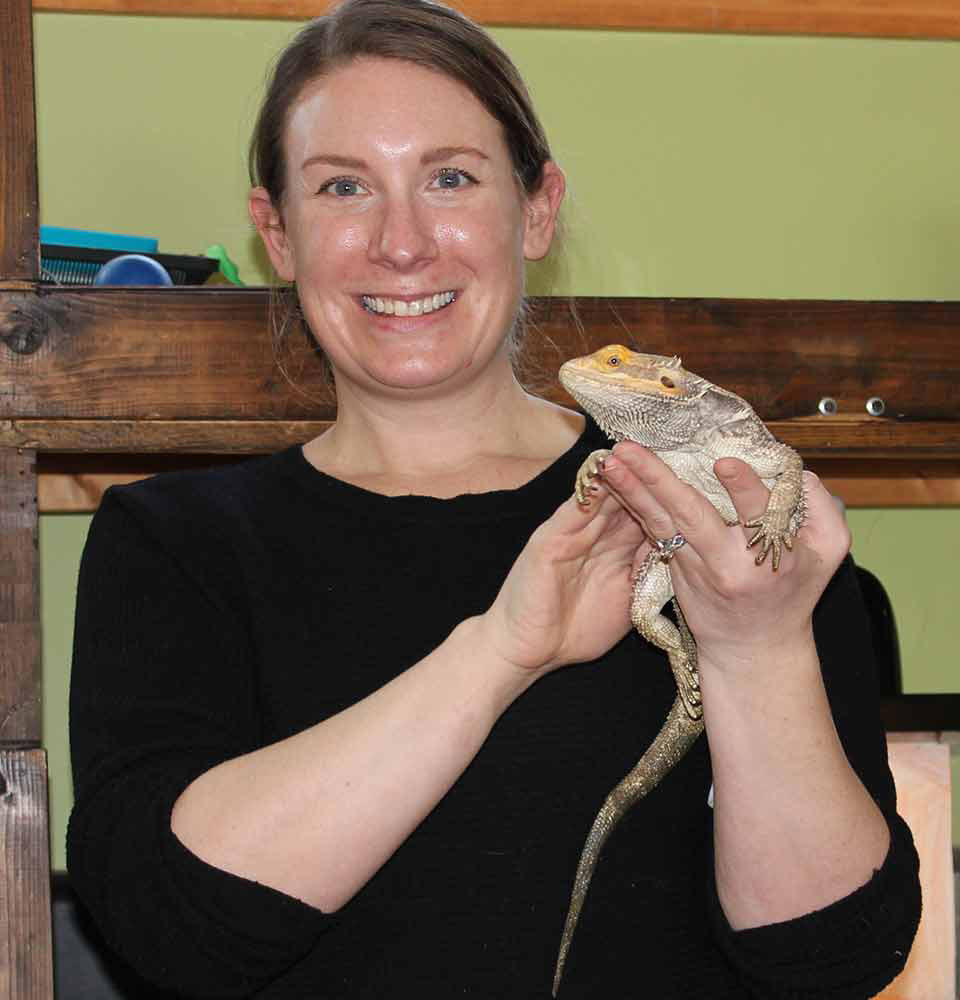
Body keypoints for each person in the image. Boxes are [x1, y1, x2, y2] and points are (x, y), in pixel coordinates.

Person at [67, 1, 920, 997]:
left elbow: (834, 961)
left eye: (451, 178)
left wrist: (758, 645)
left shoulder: (715, 523)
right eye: (343, 186)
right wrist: (499, 648)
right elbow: (176, 934)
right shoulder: (175, 545)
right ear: (276, 232)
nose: (402, 242)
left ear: (540, 207)